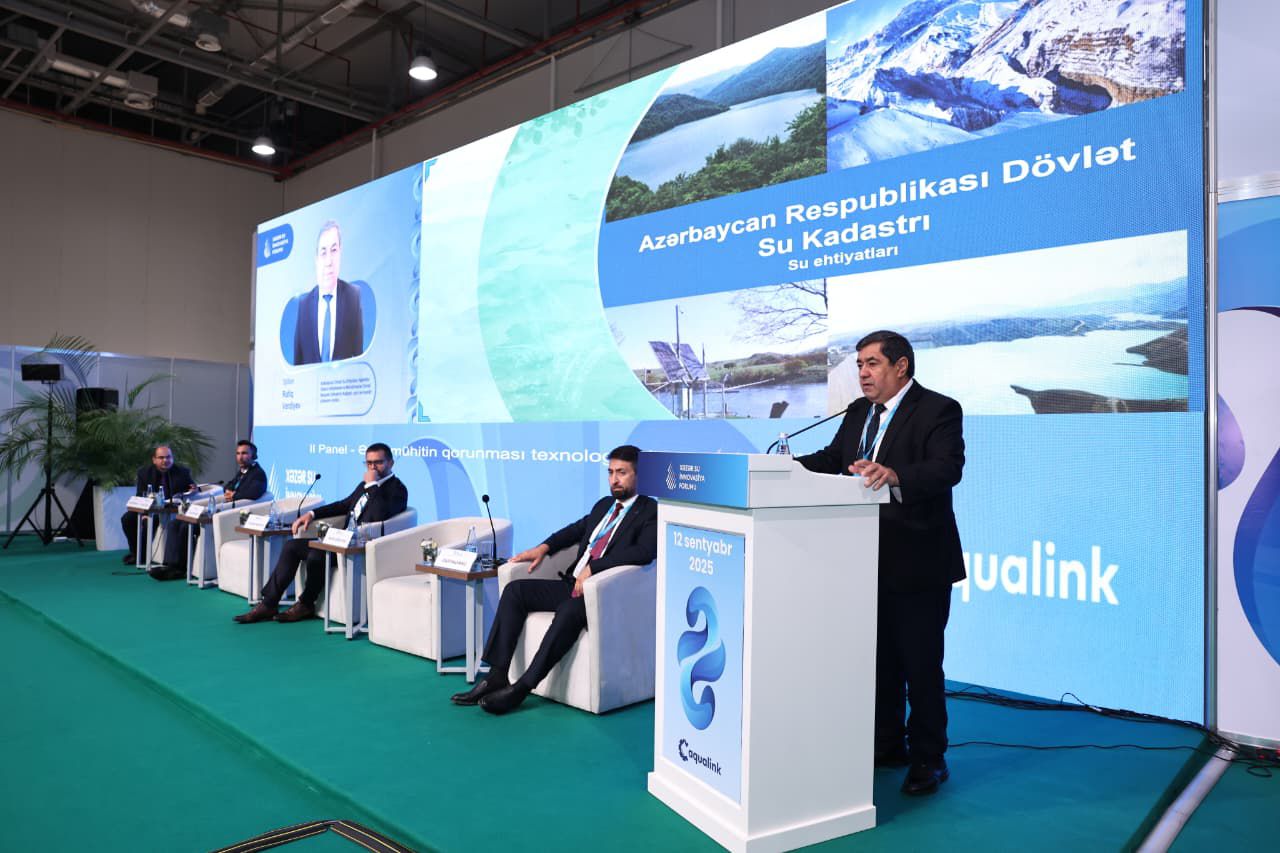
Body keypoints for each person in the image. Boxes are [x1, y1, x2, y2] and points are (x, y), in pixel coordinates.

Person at [796, 330, 965, 796]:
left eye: (871, 363)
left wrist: (895, 475)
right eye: (859, 365)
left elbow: (947, 467)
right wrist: (781, 468)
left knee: (921, 666)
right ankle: (886, 744)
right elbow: (834, 458)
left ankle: (929, 758)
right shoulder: (858, 412)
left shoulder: (938, 409)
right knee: (878, 663)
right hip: (862, 559)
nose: (863, 373)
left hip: (919, 561)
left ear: (901, 366)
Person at [451, 445, 658, 715]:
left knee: (569, 610)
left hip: (601, 594)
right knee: (515, 591)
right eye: (610, 472)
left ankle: (523, 687)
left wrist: (594, 568)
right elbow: (575, 530)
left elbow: (643, 552)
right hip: (571, 584)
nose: (614, 480)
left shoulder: (650, 510)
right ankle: (497, 675)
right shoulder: (605, 506)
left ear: (639, 475)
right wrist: (544, 547)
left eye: (622, 473)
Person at [233, 443, 407, 623]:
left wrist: (372, 485)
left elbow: (380, 513)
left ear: (391, 463)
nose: (373, 468)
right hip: (342, 539)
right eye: (369, 463)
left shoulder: (397, 489)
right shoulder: (364, 485)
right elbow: (343, 505)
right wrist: (312, 514)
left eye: (378, 462)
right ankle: (268, 603)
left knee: (317, 554)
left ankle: (305, 604)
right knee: (292, 546)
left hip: (360, 546)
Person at [150, 440, 268, 580]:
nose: (240, 457)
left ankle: (179, 568)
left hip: (233, 517)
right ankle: (169, 565)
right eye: (238, 453)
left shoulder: (258, 473)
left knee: (186, 527)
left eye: (244, 453)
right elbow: (228, 486)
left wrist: (234, 495)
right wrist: (230, 492)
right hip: (225, 510)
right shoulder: (242, 472)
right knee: (175, 524)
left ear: (253, 455)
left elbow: (254, 492)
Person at [292, 220, 364, 365]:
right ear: (316, 259)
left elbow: (359, 360)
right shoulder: (304, 305)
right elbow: (297, 364)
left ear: (340, 253)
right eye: (323, 253)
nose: (329, 261)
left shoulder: (353, 297)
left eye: (334, 250)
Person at [121, 444, 197, 565]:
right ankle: (136, 553)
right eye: (161, 458)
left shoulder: (182, 472)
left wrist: (194, 489)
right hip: (150, 509)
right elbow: (140, 495)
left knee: (149, 523)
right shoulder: (144, 473)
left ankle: (143, 556)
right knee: (127, 519)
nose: (165, 460)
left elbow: (193, 488)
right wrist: (145, 513)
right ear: (154, 460)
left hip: (170, 511)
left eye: (168, 457)